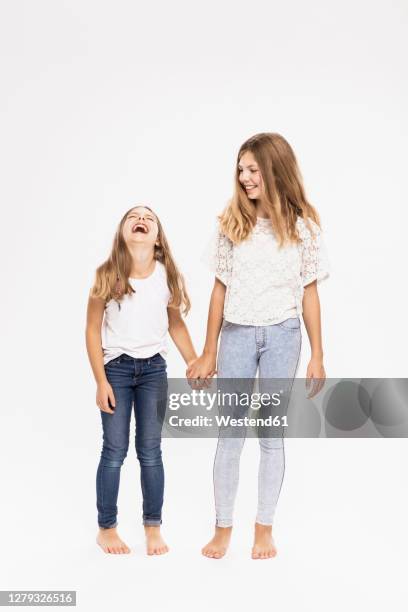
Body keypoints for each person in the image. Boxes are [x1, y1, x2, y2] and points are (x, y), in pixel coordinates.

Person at [187, 132, 330, 559]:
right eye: (241, 169)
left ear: (274, 171)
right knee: (230, 433)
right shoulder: (232, 224)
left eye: (252, 170)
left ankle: (264, 527)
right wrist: (209, 349)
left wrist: (318, 354)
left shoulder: (304, 228)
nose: (244, 177)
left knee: (270, 434)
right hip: (236, 334)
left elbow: (308, 293)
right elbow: (218, 291)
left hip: (284, 336)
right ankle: (223, 526)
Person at [86, 205, 197, 555]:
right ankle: (107, 528)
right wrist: (101, 381)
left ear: (158, 237)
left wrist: (193, 359)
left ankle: (153, 527)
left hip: (153, 371)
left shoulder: (166, 276)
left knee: (150, 451)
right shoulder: (107, 274)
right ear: (123, 232)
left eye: (149, 218)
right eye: (134, 216)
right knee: (114, 450)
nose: (142, 220)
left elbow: (175, 324)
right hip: (116, 370)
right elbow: (91, 330)